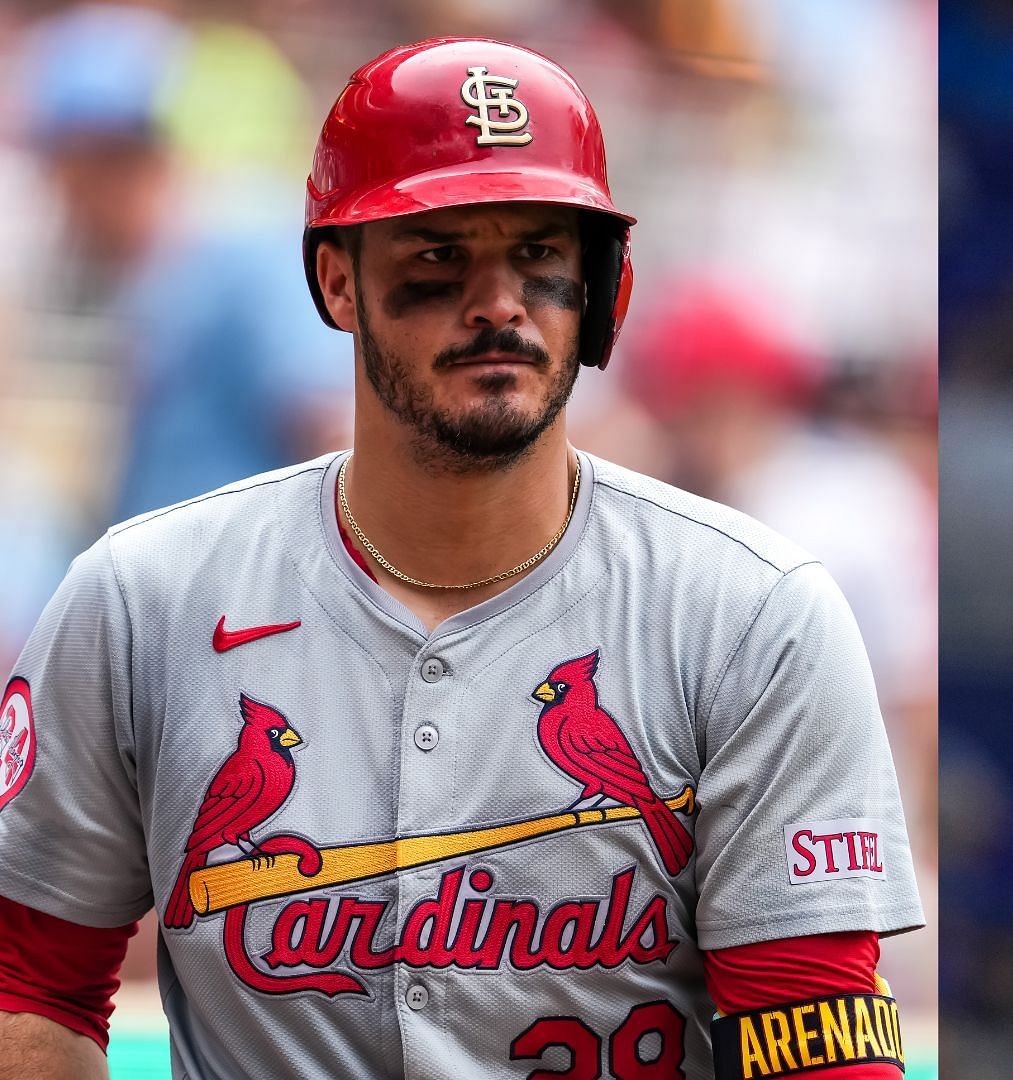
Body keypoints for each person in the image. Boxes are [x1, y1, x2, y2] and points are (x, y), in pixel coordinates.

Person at [0, 38, 922, 1080]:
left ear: (603, 291)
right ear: (338, 283)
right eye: (440, 257)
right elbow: (31, 978)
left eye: (540, 256)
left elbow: (813, 1030)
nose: (499, 303)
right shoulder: (141, 600)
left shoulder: (752, 615)